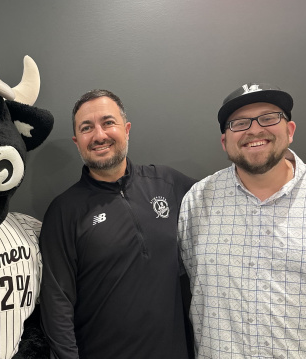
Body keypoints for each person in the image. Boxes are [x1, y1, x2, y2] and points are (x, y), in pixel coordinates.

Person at [178, 83, 306, 358]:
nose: (254, 130)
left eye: (268, 118)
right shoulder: (197, 202)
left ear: (289, 131)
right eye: (239, 123)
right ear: (224, 141)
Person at [39, 89, 196, 358]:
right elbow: (57, 303)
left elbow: (220, 200)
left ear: (126, 129)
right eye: (87, 128)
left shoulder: (168, 183)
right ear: (77, 141)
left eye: (108, 122)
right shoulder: (64, 211)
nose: (99, 135)